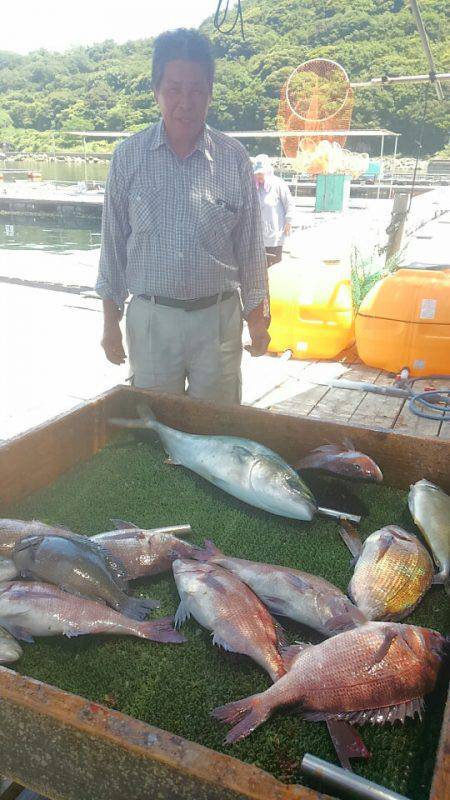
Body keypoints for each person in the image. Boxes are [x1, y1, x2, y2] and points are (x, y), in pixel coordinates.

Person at [95, 28, 270, 405]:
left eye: (196, 90)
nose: (185, 102)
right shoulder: (128, 157)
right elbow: (112, 247)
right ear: (156, 91)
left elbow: (252, 250)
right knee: (157, 429)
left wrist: (258, 321)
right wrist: (111, 322)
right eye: (174, 89)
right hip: (153, 318)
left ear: (210, 93)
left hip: (219, 320)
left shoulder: (234, 157)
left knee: (219, 427)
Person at [253, 154, 295, 267]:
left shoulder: (278, 184)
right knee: (260, 267)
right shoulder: (253, 187)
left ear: (267, 171)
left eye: (261, 173)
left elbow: (289, 203)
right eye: (257, 174)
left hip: (275, 234)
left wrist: (289, 221)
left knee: (274, 265)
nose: (259, 176)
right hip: (258, 235)